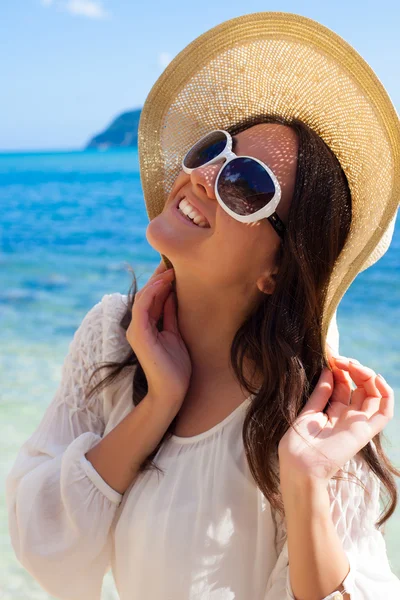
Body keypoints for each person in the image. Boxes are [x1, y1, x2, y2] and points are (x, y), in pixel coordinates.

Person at [5, 11, 400, 600]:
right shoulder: (113, 336)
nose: (203, 176)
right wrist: (156, 404)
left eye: (246, 183)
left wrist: (305, 477)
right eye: (213, 149)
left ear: (279, 268)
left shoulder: (319, 413)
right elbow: (42, 546)